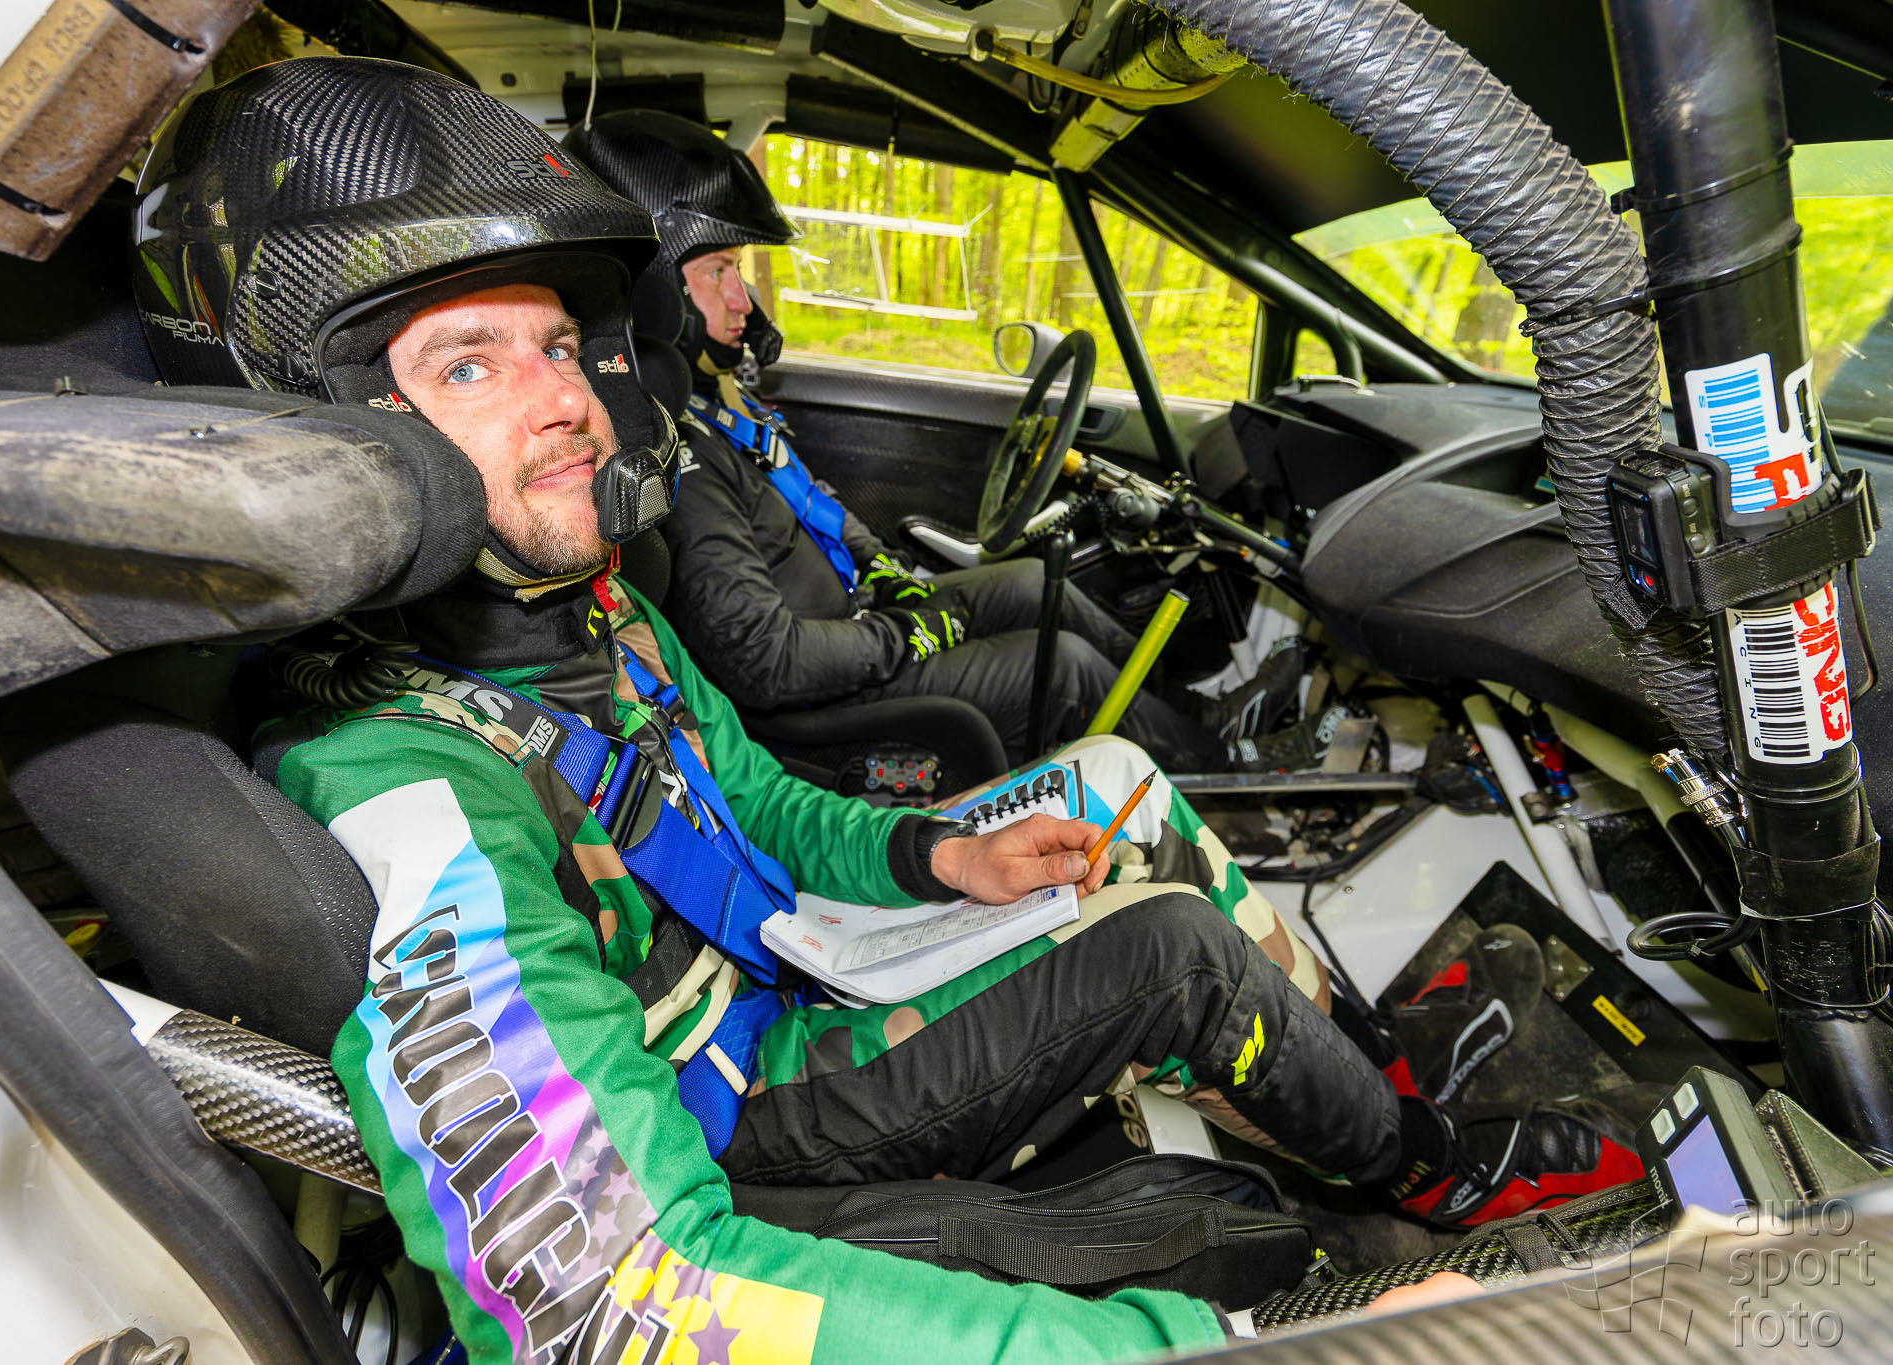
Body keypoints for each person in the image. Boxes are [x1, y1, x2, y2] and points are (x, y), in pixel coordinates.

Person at [133, 59, 1640, 1365]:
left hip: (787, 976)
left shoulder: (590, 611)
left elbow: (756, 803)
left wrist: (933, 857)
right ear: (319, 433)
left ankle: (1387, 1123)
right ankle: (1425, 1171)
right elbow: (616, 1304)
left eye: (558, 344)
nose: (568, 401)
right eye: (468, 363)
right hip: (734, 1108)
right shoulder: (406, 789)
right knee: (1173, 951)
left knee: (1133, 857)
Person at [563, 110, 1325, 775]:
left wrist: (885, 572)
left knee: (1032, 584)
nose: (743, 299)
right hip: (821, 691)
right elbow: (768, 662)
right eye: (719, 272)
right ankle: (1226, 760)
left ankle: (1197, 716)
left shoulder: (714, 404)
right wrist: (909, 632)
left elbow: (813, 504)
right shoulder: (676, 459)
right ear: (656, 292)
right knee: (1060, 666)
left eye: (740, 271)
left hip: (856, 621)